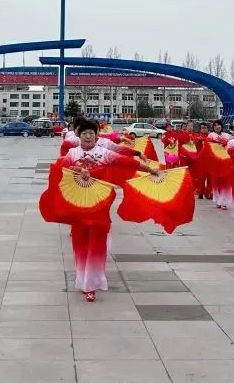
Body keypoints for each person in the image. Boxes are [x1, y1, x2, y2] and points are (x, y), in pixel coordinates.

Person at [60, 118, 162, 302]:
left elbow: (125, 161)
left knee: (97, 242)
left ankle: (92, 284)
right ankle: (82, 280)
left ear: (97, 135)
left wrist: (149, 169)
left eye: (92, 133)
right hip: (78, 204)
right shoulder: (72, 153)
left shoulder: (104, 152)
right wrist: (77, 168)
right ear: (79, 135)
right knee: (80, 242)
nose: (88, 136)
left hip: (100, 204)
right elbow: (61, 168)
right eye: (85, 133)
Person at [207, 120, 234, 210]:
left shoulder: (227, 136)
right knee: (216, 182)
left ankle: (224, 202)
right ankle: (218, 201)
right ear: (213, 127)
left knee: (225, 182)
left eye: (218, 125)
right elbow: (207, 146)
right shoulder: (211, 135)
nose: (217, 127)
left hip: (225, 161)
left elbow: (233, 144)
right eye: (215, 125)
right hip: (215, 162)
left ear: (222, 126)